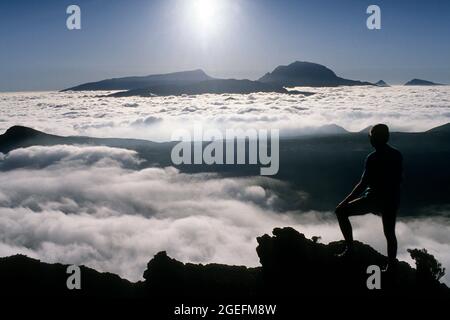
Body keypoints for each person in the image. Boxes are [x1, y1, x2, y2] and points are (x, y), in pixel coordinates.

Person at [335, 124, 402, 271]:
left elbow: (362, 185)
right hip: (391, 200)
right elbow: (397, 181)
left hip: (373, 199)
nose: (370, 138)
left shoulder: (372, 158)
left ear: (375, 138)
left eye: (371, 136)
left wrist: (344, 202)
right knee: (390, 233)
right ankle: (391, 266)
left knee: (341, 212)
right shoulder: (397, 155)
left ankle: (350, 249)